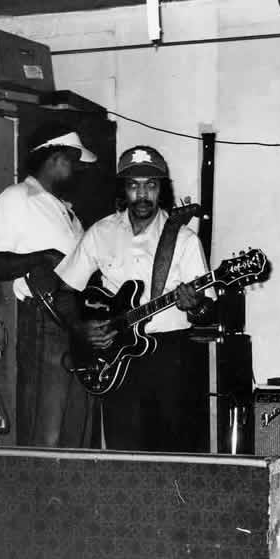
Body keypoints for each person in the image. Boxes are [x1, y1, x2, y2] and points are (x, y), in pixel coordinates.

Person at [56, 145, 215, 452]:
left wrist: (194, 305)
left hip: (170, 359)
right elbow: (63, 292)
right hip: (116, 358)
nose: (142, 195)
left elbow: (206, 310)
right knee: (122, 451)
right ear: (123, 189)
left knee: (172, 453)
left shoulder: (183, 240)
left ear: (161, 190)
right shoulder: (100, 232)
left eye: (151, 186)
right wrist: (79, 328)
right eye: (134, 185)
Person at [0, 123, 97, 447]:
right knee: (45, 432)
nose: (75, 170)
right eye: (71, 161)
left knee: (76, 431)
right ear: (54, 159)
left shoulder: (69, 213)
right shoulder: (16, 198)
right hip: (44, 324)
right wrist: (42, 257)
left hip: (76, 325)